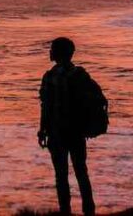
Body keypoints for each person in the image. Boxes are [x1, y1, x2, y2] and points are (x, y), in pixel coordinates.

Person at [37, 37, 96, 216]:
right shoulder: (80, 74)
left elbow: (46, 106)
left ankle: (65, 212)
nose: (50, 51)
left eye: (52, 49)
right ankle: (89, 211)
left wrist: (42, 130)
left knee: (61, 176)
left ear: (59, 53)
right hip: (77, 132)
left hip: (57, 133)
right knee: (81, 172)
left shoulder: (50, 76)